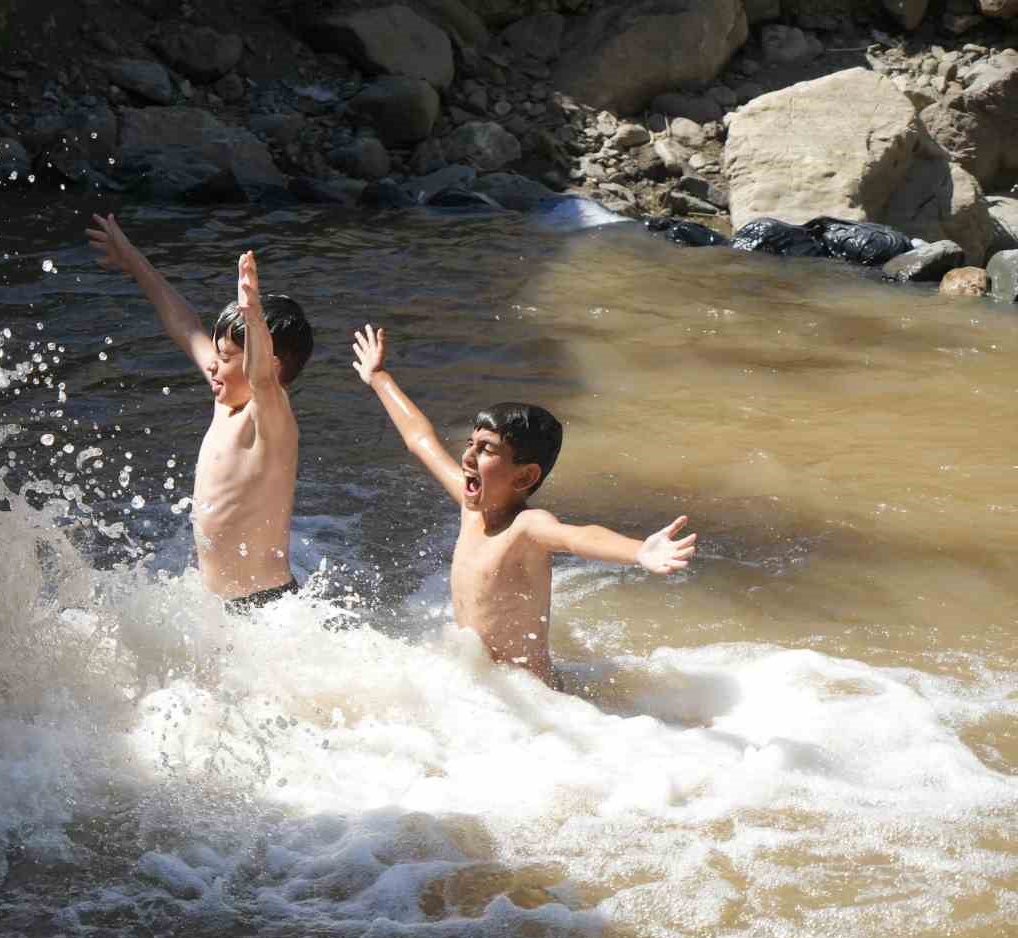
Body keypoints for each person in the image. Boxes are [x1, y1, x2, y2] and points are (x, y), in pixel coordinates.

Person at [350, 324, 695, 684]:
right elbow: (421, 440)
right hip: (483, 688)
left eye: (485, 450)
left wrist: (639, 551)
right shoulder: (472, 509)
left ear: (525, 477)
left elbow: (577, 537)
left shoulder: (527, 527)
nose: (467, 456)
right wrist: (378, 377)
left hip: (531, 697)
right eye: (470, 443)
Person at [87, 214, 314, 607]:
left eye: (226, 356)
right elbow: (185, 325)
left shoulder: (269, 416)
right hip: (217, 606)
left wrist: (254, 316)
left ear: (269, 364)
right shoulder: (226, 398)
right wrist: (132, 259)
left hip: (265, 608)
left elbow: (260, 377)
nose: (212, 363)